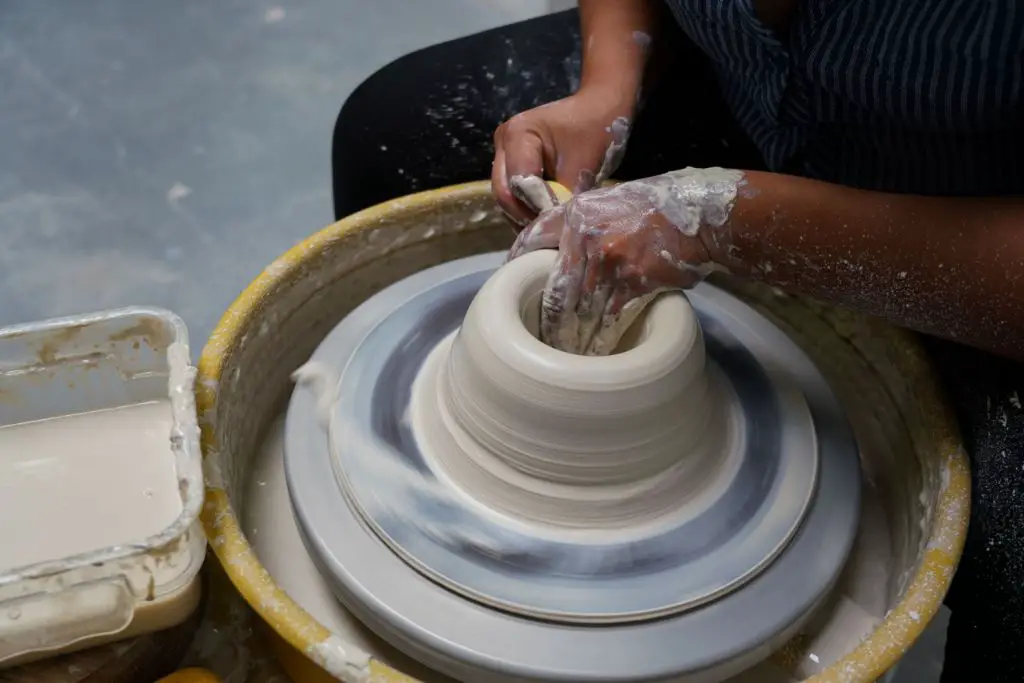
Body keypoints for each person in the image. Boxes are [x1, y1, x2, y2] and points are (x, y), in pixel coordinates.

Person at [332, 2, 1024, 679]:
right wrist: (609, 85)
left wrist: (730, 225)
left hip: (969, 220)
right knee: (393, 129)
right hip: (743, 99)